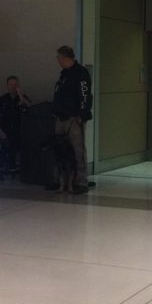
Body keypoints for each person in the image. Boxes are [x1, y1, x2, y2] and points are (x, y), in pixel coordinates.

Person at [51, 45, 93, 194]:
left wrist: (81, 114)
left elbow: (85, 95)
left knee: (77, 150)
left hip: (74, 118)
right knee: (58, 150)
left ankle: (81, 181)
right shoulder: (64, 74)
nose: (57, 60)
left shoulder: (80, 73)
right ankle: (58, 180)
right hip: (60, 116)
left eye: (58, 57)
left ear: (65, 57)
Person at [0, 76, 31, 169]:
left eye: (15, 84)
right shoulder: (2, 99)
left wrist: (20, 95)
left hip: (17, 132)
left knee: (12, 154)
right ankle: (1, 158)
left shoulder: (22, 98)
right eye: (11, 84)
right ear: (7, 86)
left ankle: (9, 163)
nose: (13, 87)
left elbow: (29, 108)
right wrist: (0, 132)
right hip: (3, 129)